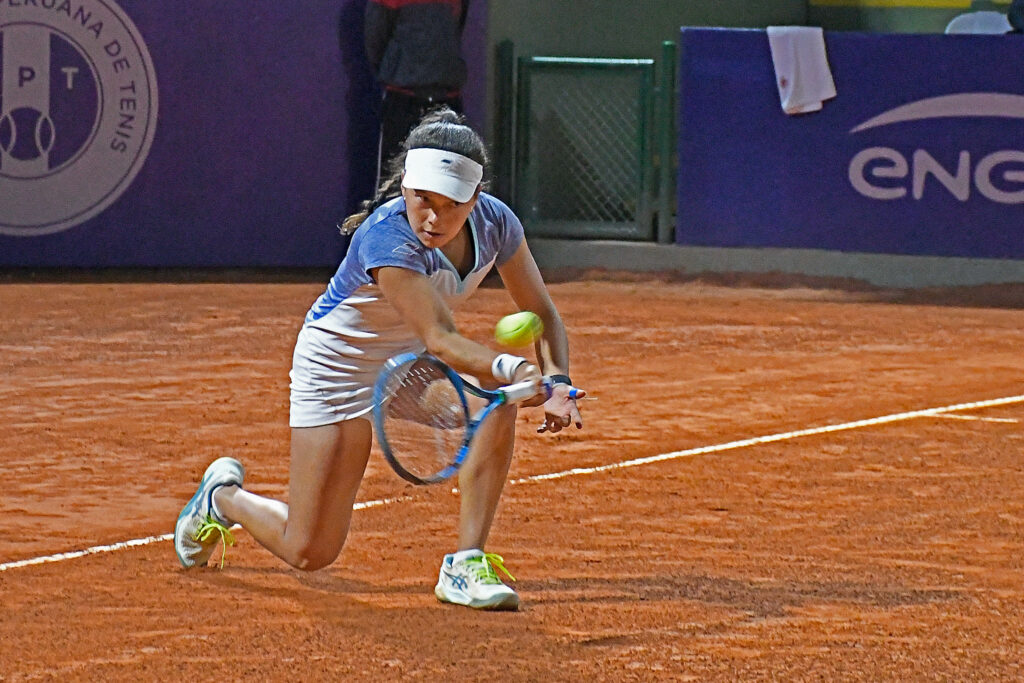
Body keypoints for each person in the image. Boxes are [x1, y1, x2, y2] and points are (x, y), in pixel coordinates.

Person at [174, 108, 585, 611]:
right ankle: (223, 498)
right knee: (310, 551)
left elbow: (541, 311)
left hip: (406, 366)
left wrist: (558, 380)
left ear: (476, 200)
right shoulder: (387, 236)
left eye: (451, 205)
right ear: (406, 188)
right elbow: (439, 337)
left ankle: (465, 562)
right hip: (336, 367)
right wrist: (514, 368)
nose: (433, 218)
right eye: (422, 201)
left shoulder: (498, 224)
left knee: (493, 406)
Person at [364, 0, 469, 184]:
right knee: (394, 185)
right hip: (404, 99)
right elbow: (375, 37)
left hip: (445, 98)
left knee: (447, 185)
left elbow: (455, 30)